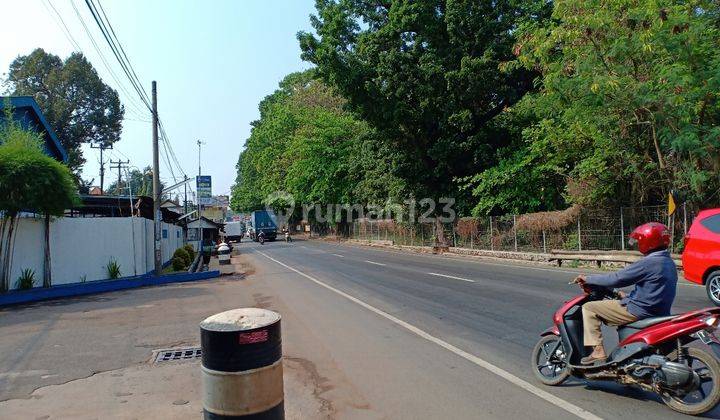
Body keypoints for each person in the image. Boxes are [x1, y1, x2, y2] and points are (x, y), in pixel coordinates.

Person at [573, 222, 677, 365]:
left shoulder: (649, 262)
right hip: (658, 310)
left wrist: (588, 278)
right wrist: (626, 297)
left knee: (589, 308)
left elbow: (617, 279)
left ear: (648, 241)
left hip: (640, 311)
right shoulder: (668, 261)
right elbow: (653, 290)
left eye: (639, 240)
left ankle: (598, 351)